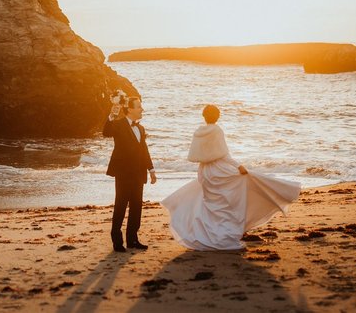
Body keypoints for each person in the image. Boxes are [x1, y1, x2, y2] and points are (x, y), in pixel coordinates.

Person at [161, 104, 300, 251]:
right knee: (226, 203)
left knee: (211, 204)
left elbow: (199, 157)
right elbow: (224, 154)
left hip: (205, 171)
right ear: (217, 116)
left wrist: (201, 173)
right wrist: (238, 166)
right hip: (219, 169)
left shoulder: (198, 132)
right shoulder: (217, 130)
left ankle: (210, 236)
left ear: (204, 117)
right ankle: (223, 237)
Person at [103, 94, 156, 252]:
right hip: (123, 172)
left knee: (136, 206)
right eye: (139, 106)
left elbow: (144, 150)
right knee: (120, 206)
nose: (142, 109)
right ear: (130, 109)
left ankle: (132, 239)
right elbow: (106, 132)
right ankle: (117, 242)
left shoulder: (140, 128)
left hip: (139, 173)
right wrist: (113, 113)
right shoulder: (118, 124)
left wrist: (151, 169)